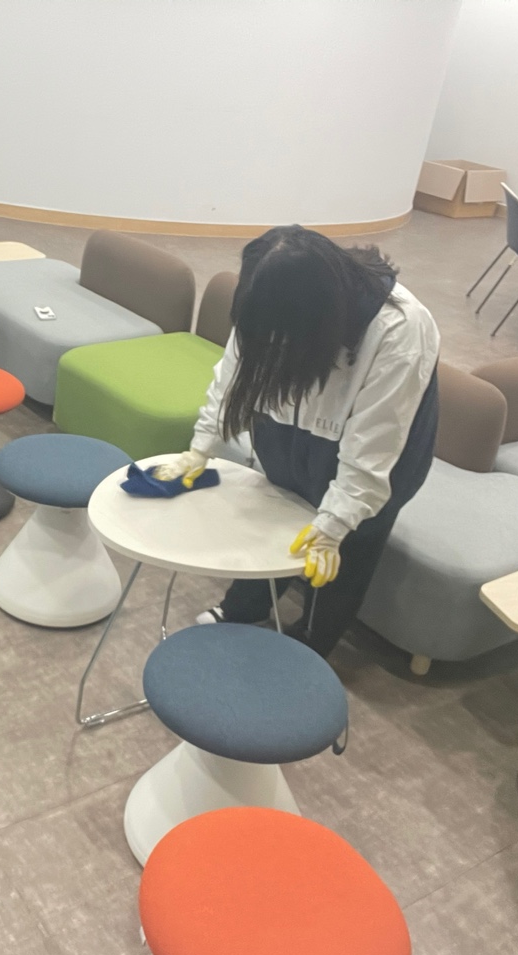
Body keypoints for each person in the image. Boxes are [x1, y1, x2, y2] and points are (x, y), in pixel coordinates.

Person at [156, 226, 440, 656]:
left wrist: (334, 525)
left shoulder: (400, 329)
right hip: (288, 428)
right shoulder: (268, 296)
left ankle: (311, 640)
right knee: (274, 517)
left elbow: (374, 446)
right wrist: (201, 447)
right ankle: (243, 608)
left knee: (343, 553)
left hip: (375, 451)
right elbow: (232, 376)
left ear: (316, 320)